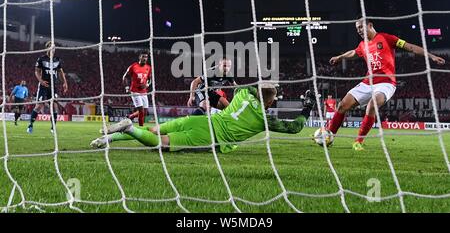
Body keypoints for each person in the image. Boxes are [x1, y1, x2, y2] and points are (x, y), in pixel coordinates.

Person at [326, 19, 446, 151]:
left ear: (370, 25)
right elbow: (354, 52)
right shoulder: (362, 45)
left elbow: (410, 47)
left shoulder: (386, 38)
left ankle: (358, 141)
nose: (359, 30)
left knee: (372, 104)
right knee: (342, 105)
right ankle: (329, 136)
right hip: (368, 82)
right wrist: (340, 57)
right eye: (357, 29)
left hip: (386, 83)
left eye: (361, 27)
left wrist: (431, 56)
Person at [90, 84, 317, 152]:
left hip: (200, 119)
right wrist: (307, 108)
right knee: (161, 144)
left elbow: (249, 89)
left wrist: (266, 88)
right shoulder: (264, 119)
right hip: (210, 135)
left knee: (153, 131)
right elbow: (295, 128)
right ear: (269, 103)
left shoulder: (243, 94)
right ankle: (128, 128)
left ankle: (109, 139)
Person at [27, 41, 68, 134]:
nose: (53, 49)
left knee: (54, 106)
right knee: (39, 106)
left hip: (54, 86)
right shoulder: (41, 59)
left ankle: (53, 127)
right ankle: (30, 125)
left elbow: (61, 72)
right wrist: (40, 81)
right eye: (51, 47)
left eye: (54, 47)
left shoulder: (57, 59)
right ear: (47, 48)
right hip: (43, 86)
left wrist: (65, 83)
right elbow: (36, 71)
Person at [123, 51, 152, 126]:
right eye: (143, 57)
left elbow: (150, 79)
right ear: (140, 57)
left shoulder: (148, 68)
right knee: (141, 110)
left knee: (145, 112)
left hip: (144, 92)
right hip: (135, 91)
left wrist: (147, 85)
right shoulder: (133, 66)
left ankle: (129, 117)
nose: (145, 59)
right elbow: (125, 77)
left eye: (146, 57)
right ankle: (141, 128)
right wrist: (127, 87)